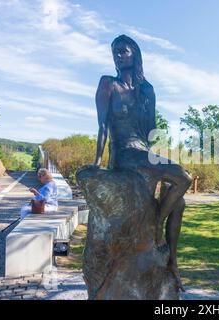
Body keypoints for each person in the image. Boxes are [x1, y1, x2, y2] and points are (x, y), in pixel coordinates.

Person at [93, 35, 192, 291]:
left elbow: (152, 132)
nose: (118, 55)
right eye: (115, 51)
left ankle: (172, 262)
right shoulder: (108, 83)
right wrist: (97, 162)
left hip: (143, 152)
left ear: (135, 54)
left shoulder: (146, 89)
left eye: (123, 51)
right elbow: (102, 125)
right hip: (124, 154)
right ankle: (156, 222)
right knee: (184, 177)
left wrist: (157, 170)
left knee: (179, 200)